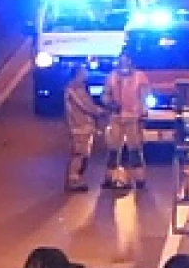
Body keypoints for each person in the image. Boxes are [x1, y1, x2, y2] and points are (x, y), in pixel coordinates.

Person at [101, 51, 150, 189]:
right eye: (121, 61)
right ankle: (109, 178)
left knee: (134, 150)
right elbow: (105, 94)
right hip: (116, 117)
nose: (124, 64)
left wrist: (142, 113)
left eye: (126, 61)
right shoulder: (112, 77)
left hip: (133, 118)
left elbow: (145, 96)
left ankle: (139, 179)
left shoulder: (140, 77)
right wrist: (109, 103)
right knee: (113, 150)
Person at [62, 63, 107, 192]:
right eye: (84, 72)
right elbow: (86, 106)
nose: (86, 74)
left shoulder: (78, 88)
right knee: (79, 154)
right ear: (78, 74)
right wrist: (101, 111)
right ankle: (73, 180)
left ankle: (77, 178)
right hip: (79, 126)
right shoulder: (75, 89)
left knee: (83, 154)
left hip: (83, 126)